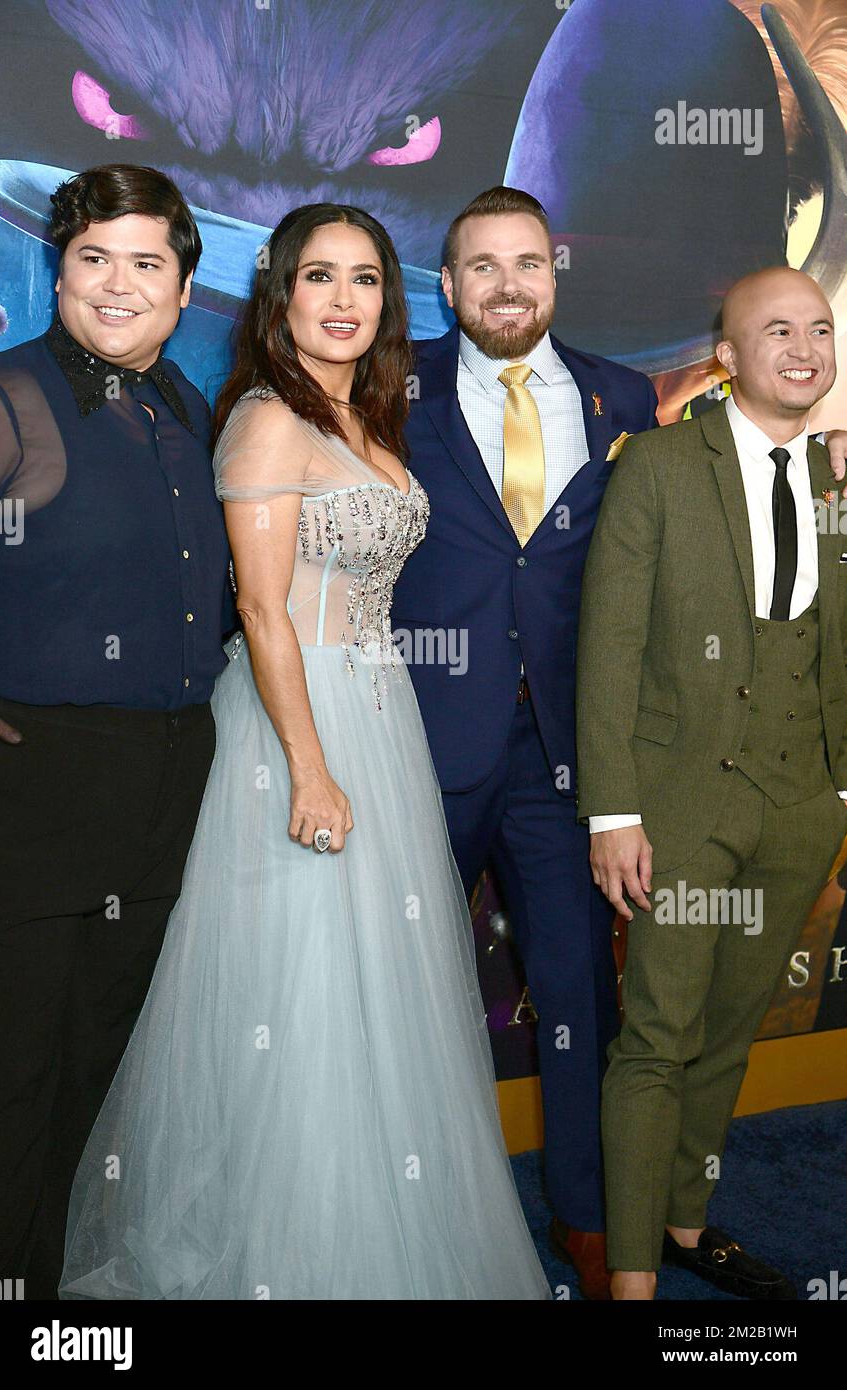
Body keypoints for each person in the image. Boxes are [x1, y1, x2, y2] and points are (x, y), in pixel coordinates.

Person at [58, 203, 552, 1300]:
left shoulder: (366, 416)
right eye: (318, 277)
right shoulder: (269, 421)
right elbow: (265, 611)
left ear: (389, 297)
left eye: (365, 278)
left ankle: (376, 1236)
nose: (342, 300)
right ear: (277, 294)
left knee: (376, 996)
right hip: (296, 726)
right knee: (296, 998)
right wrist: (311, 766)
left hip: (379, 713)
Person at [391, 185, 659, 1299]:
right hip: (409, 740)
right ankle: (391, 1206)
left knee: (575, 995)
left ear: (554, 272)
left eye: (527, 263)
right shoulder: (382, 387)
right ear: (446, 285)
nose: (508, 285)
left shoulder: (624, 396)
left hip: (565, 756)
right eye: (480, 267)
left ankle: (587, 1225)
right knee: (393, 985)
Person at [0, 163, 234, 1300]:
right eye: (94, 258)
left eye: (147, 262)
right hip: (27, 787)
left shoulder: (184, 406)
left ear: (185, 286)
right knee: (6, 1080)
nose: (119, 285)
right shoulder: (1, 399)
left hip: (162, 786)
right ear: (58, 269)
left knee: (89, 1064)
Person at [575, 265, 847, 1300]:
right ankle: (635, 1282)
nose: (800, 348)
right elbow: (604, 650)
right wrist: (612, 811)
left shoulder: (832, 483)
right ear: (724, 356)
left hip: (796, 804)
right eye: (772, 330)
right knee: (655, 1037)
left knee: (729, 1029)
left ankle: (689, 1224)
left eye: (816, 329)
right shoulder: (653, 466)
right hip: (679, 797)